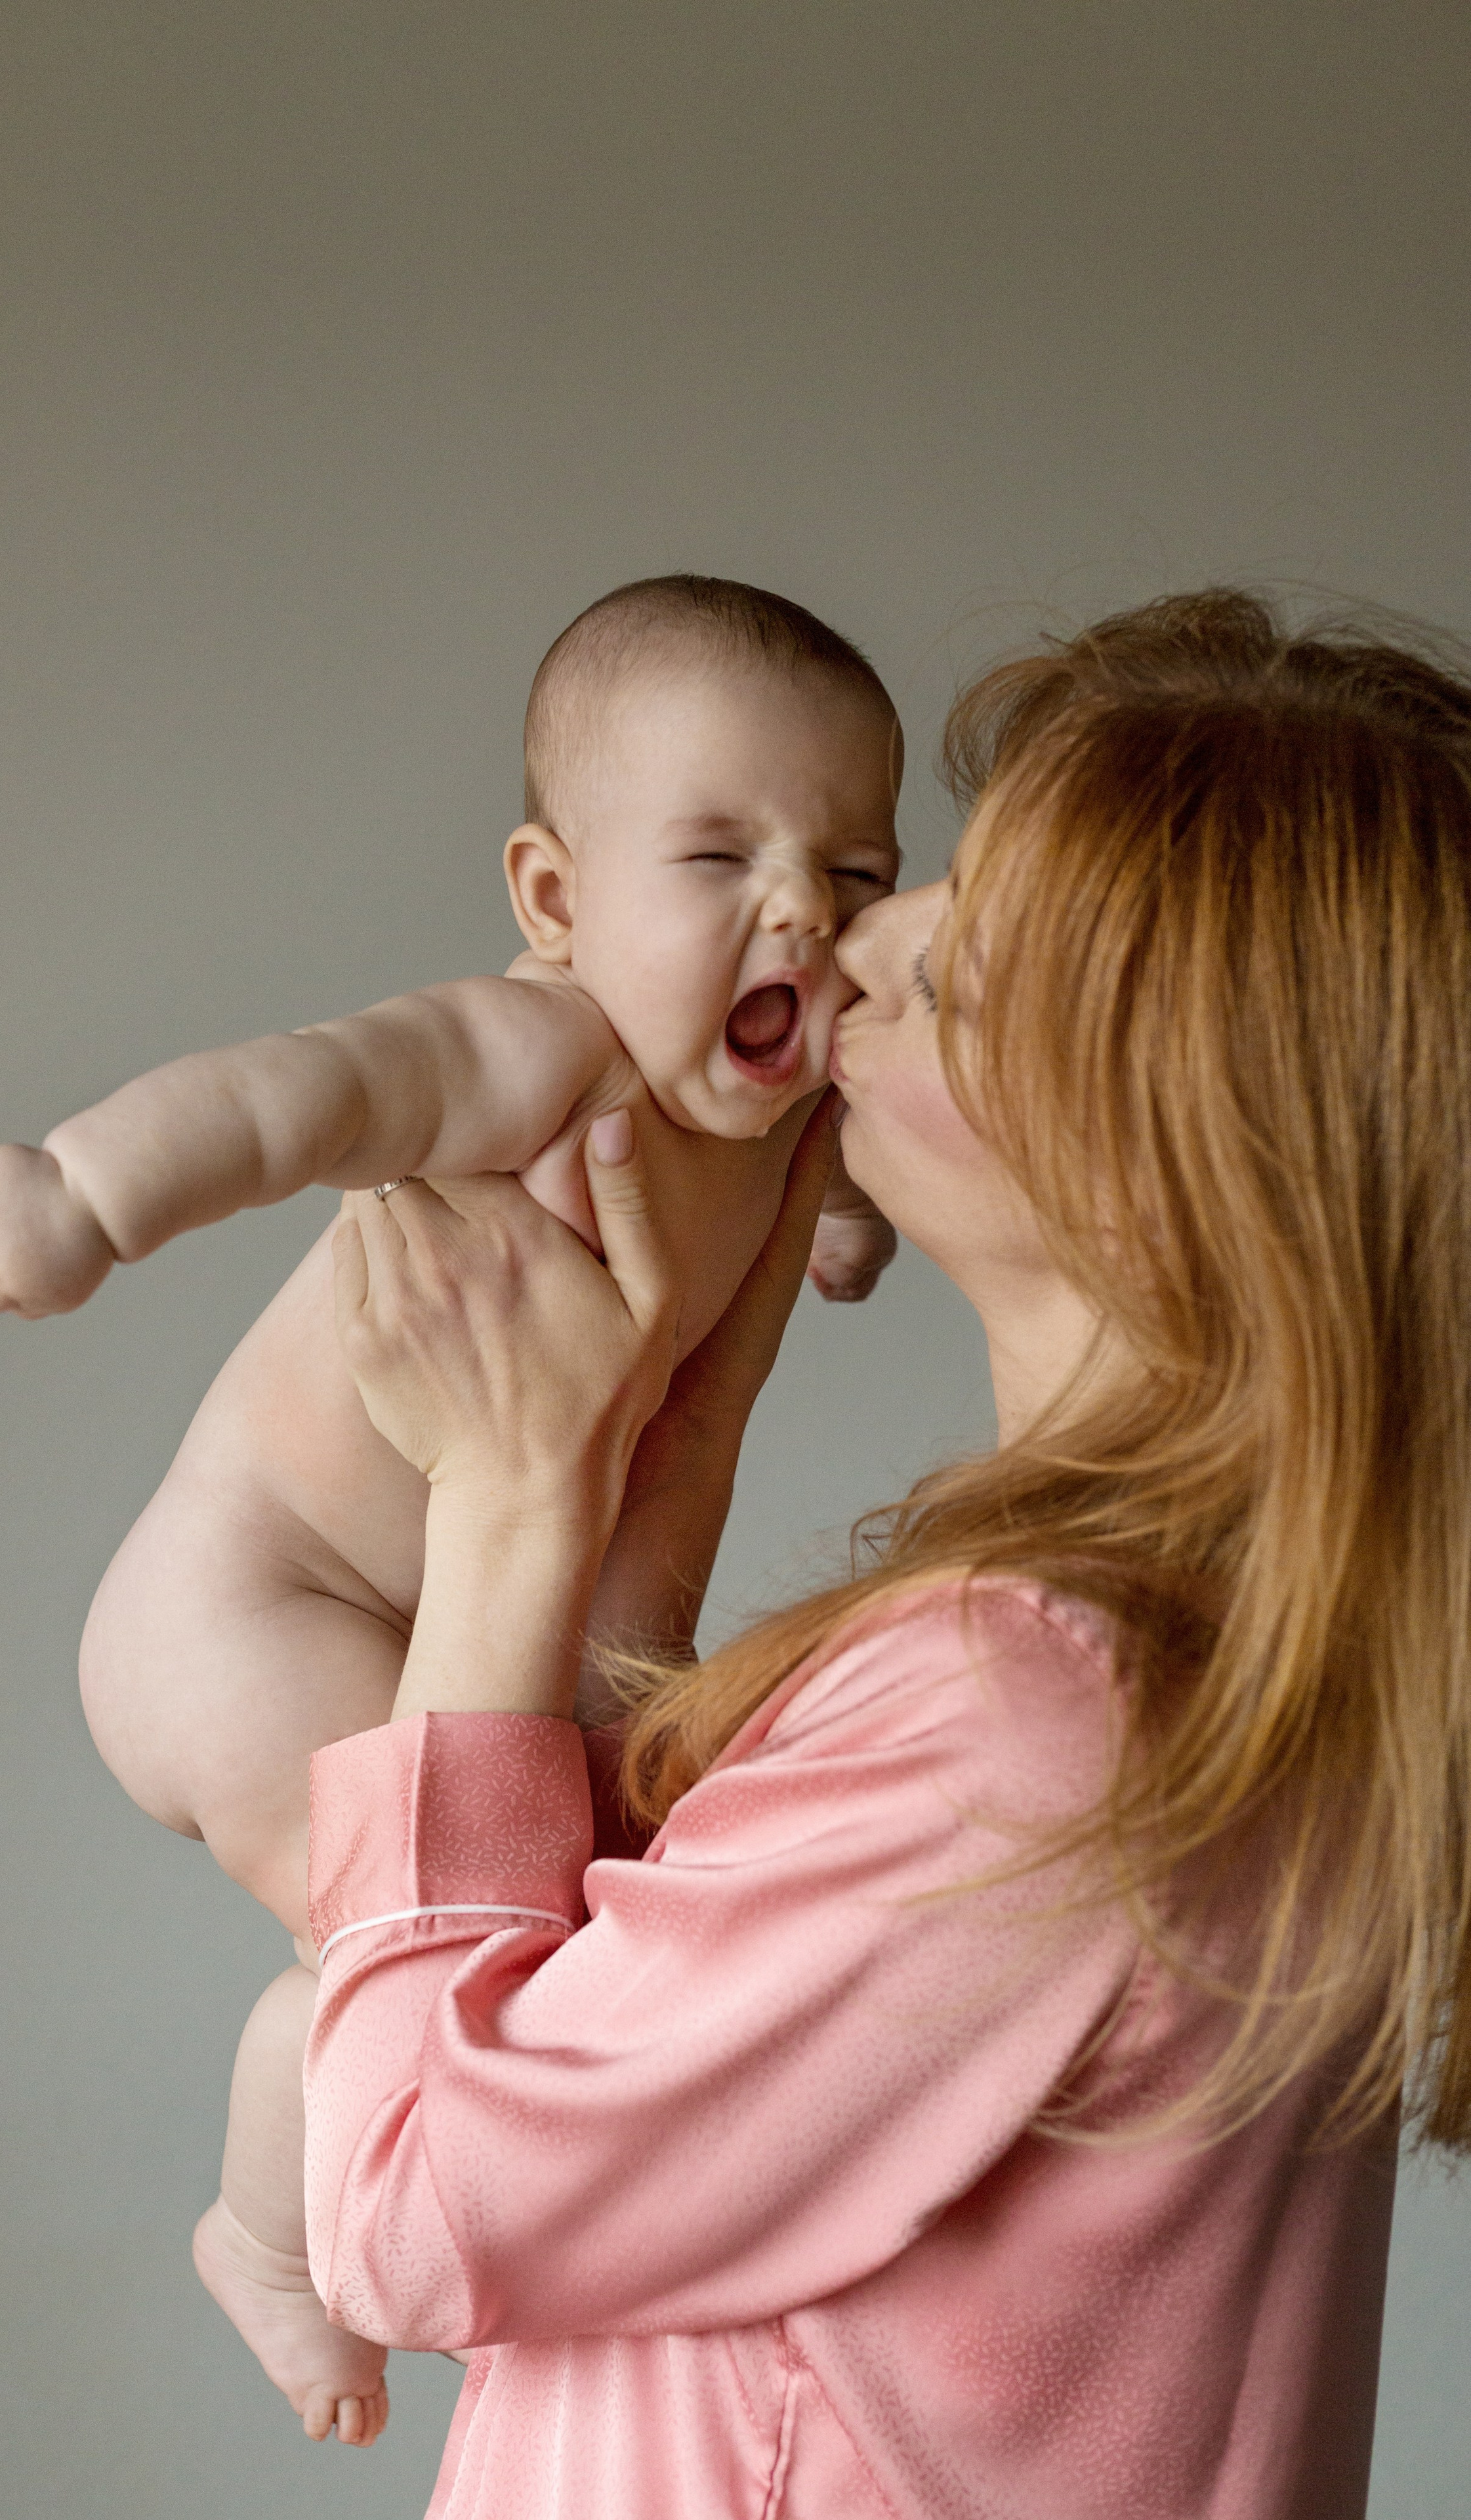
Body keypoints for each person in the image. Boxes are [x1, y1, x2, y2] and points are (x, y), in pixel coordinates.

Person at [306, 589, 1471, 2518]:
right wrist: (642, 1496)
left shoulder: (1035, 1714)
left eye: (971, 964)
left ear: (1166, 1165)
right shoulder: (1262, 1659)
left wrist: (510, 1507)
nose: (865, 933)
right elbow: (669, 2076)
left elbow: (408, 2199)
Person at [0, 575, 904, 2441]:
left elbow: (829, 1163)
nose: (806, 910)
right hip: (247, 1608)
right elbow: (306, 1094)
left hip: (453, 1620)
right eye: (721, 856)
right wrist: (84, 1194)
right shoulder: (542, 1051)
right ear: (555, 903)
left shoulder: (774, 1117)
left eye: (856, 872)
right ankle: (267, 2234)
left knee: (577, 1919)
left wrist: (842, 1211)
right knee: (442, 1982)